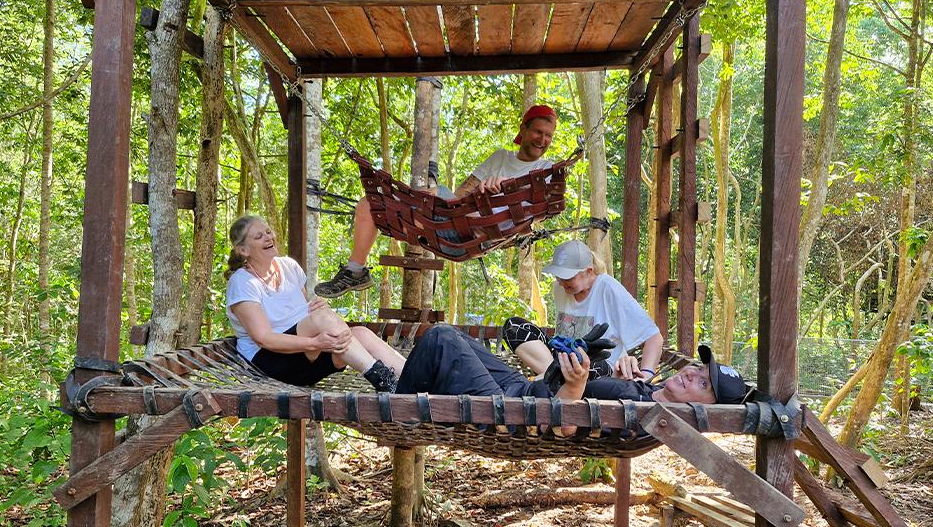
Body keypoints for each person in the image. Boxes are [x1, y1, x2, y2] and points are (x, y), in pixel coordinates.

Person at [315, 104, 559, 298]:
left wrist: (504, 187)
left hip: (476, 236)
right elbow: (462, 193)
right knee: (370, 204)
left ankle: (420, 214)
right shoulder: (500, 157)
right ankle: (355, 271)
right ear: (523, 130)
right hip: (451, 225)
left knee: (430, 196)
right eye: (538, 132)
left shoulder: (546, 169)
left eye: (549, 136)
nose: (543, 140)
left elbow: (540, 209)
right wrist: (475, 194)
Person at [394, 325, 751, 436]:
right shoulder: (648, 388)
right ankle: (394, 382)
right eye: (701, 370)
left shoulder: (646, 417)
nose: (692, 373)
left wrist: (578, 382)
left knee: (441, 339)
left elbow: (565, 428)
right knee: (455, 338)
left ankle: (395, 408)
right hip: (523, 389)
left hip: (516, 414)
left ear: (706, 411)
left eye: (704, 385)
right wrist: (608, 366)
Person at [224, 214, 403, 390]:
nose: (268, 237)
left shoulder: (288, 266)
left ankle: (415, 377)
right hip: (271, 362)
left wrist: (316, 308)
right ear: (243, 250)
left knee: (361, 334)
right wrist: (316, 342)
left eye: (268, 232)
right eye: (259, 236)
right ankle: (383, 380)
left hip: (306, 357)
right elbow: (263, 338)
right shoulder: (242, 282)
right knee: (321, 319)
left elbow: (303, 311)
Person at [502, 239, 664, 384]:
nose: (562, 282)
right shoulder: (560, 288)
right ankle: (555, 376)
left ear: (589, 271)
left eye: (568, 277)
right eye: (558, 276)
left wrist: (646, 376)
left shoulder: (608, 288)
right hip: (562, 359)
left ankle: (554, 378)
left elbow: (654, 338)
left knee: (595, 365)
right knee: (513, 326)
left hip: (596, 367)